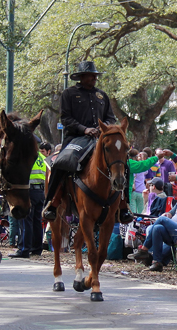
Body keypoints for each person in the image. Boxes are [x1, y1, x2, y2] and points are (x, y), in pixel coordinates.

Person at [42, 60, 131, 224]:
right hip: (76, 138)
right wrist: (84, 129)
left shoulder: (102, 95)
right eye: (91, 76)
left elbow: (109, 117)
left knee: (123, 163)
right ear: (82, 77)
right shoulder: (69, 94)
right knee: (61, 162)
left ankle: (124, 206)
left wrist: (106, 128)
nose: (94, 79)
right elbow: (66, 118)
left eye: (95, 76)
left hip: (99, 138)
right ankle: (51, 203)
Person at [9, 146, 48, 258]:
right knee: (37, 221)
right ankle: (36, 248)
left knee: (26, 221)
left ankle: (24, 249)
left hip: (29, 191)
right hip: (40, 191)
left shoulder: (27, 156)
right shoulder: (42, 157)